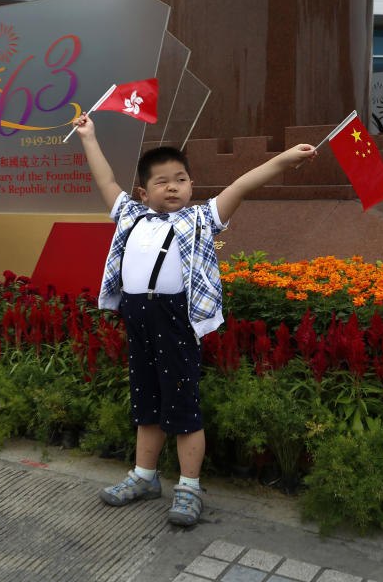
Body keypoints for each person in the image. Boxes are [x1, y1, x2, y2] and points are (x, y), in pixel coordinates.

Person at [73, 113, 316, 526]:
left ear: (191, 185)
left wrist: (285, 159)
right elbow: (105, 182)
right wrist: (89, 138)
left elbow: (241, 185)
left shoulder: (201, 219)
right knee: (146, 401)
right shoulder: (130, 216)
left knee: (182, 404)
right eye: (162, 181)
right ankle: (145, 477)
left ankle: (188, 487)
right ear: (143, 192)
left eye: (181, 179)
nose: (173, 187)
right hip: (137, 316)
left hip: (176, 320)